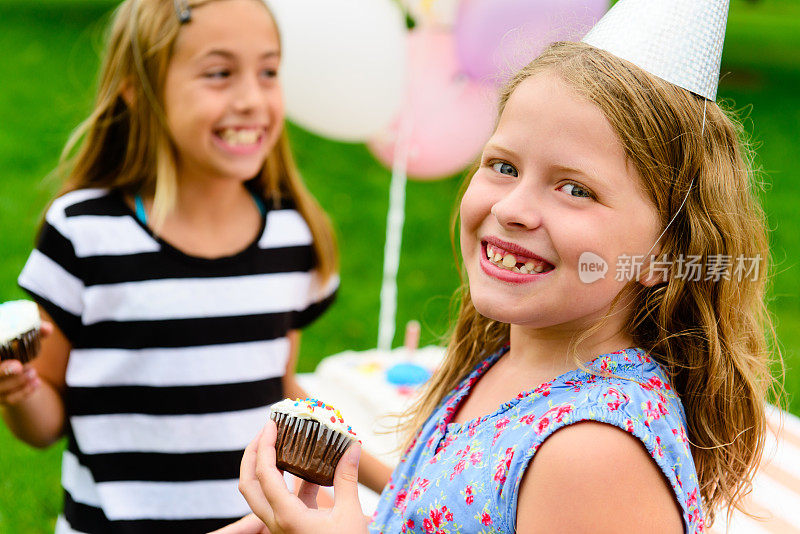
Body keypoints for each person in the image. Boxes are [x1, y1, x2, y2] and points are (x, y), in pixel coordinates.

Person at [235, 3, 779, 534]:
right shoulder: (512, 359)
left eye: (575, 189)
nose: (512, 208)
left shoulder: (591, 455)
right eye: (503, 166)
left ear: (665, 254)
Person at [0, 0, 390, 532]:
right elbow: (45, 425)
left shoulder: (290, 234)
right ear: (140, 91)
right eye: (219, 73)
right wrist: (18, 392)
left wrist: (396, 480)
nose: (252, 99)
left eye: (268, 71)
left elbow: (273, 386)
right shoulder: (83, 234)